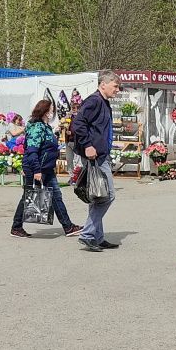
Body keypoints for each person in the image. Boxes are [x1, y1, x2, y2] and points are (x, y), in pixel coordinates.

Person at [11, 98, 83, 240]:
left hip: (47, 168)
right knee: (28, 196)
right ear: (44, 111)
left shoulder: (45, 126)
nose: (52, 112)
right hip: (36, 168)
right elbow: (32, 150)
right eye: (50, 109)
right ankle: (16, 227)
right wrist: (37, 170)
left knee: (56, 196)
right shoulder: (37, 127)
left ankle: (68, 227)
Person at [71, 70, 121, 253]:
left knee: (98, 195)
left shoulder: (103, 102)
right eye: (115, 86)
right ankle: (87, 234)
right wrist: (87, 145)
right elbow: (78, 124)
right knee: (108, 196)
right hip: (95, 157)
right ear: (103, 84)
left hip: (100, 155)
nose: (118, 89)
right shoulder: (94, 101)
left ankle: (97, 237)